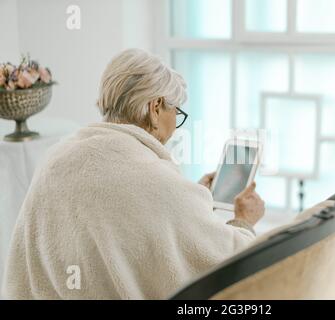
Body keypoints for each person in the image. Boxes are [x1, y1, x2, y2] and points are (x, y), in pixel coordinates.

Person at [2, 49, 265, 299]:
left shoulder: (54, 159)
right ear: (156, 107)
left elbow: (125, 216)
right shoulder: (163, 187)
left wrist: (191, 202)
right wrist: (243, 221)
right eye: (177, 112)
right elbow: (230, 266)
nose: (175, 125)